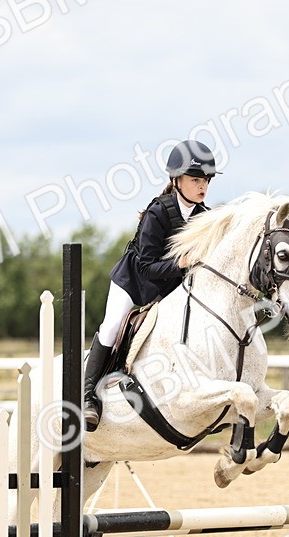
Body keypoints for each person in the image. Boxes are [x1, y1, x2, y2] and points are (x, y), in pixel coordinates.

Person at [82, 139, 220, 431]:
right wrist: (181, 264)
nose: (202, 186)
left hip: (168, 287)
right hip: (134, 281)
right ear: (177, 180)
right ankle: (88, 396)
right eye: (196, 179)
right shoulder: (158, 212)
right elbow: (146, 266)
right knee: (112, 325)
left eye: (206, 180)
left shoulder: (204, 217)